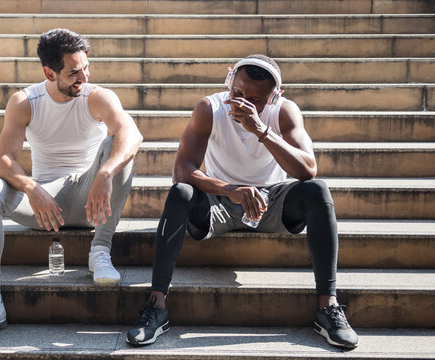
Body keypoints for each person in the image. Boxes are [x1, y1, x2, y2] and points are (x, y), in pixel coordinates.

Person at [126, 55, 359, 349]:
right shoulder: (209, 108)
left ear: (274, 96)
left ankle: (328, 307)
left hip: (271, 201)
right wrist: (230, 190)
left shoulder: (284, 112)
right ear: (228, 82)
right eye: (238, 93)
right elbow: (181, 170)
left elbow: (307, 170)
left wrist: (261, 129)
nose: (243, 103)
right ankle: (156, 306)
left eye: (256, 99)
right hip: (219, 201)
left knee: (317, 190)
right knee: (180, 193)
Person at [0, 28, 143, 343]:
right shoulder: (25, 101)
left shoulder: (97, 95)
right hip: (44, 203)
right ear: (49, 72)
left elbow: (133, 134)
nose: (83, 77)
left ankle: (100, 250)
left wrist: (105, 174)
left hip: (91, 199)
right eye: (73, 72)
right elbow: (2, 160)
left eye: (86, 67)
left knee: (118, 148)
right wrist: (30, 187)